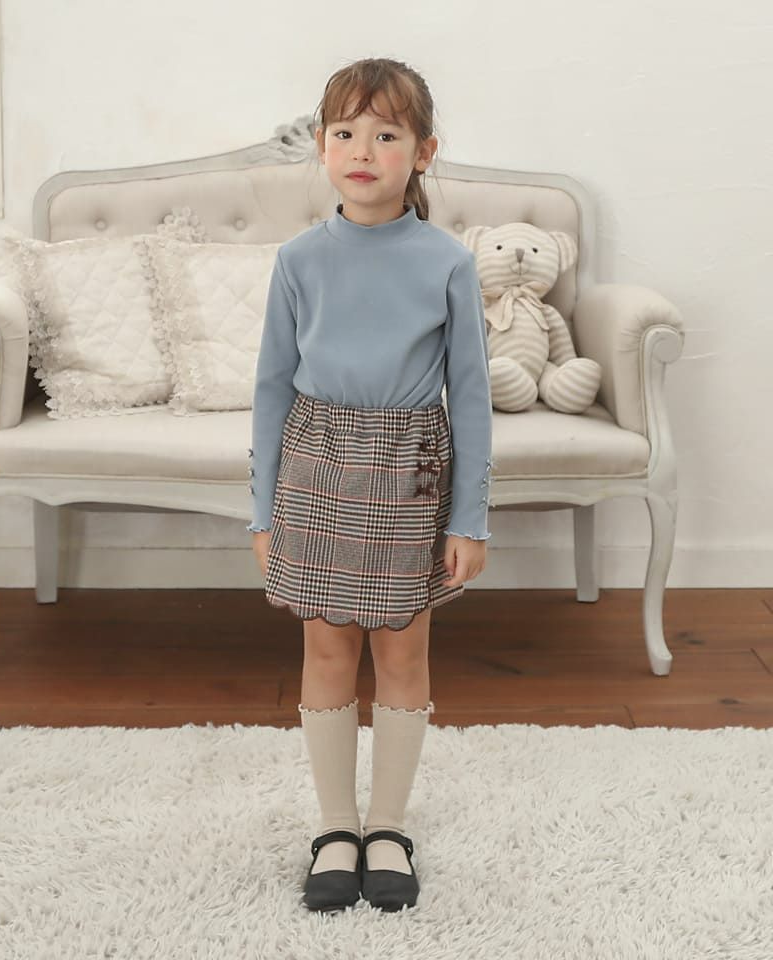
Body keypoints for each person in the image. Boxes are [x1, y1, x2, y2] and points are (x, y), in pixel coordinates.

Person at [246, 57, 493, 913]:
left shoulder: (448, 263)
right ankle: (335, 827)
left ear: (423, 152)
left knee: (403, 651)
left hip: (409, 474)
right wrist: (263, 510)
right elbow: (271, 389)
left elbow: (471, 396)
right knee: (325, 650)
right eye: (346, 132)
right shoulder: (297, 260)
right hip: (315, 468)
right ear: (322, 145)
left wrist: (470, 517)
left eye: (386, 134)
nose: (363, 150)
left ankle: (388, 825)